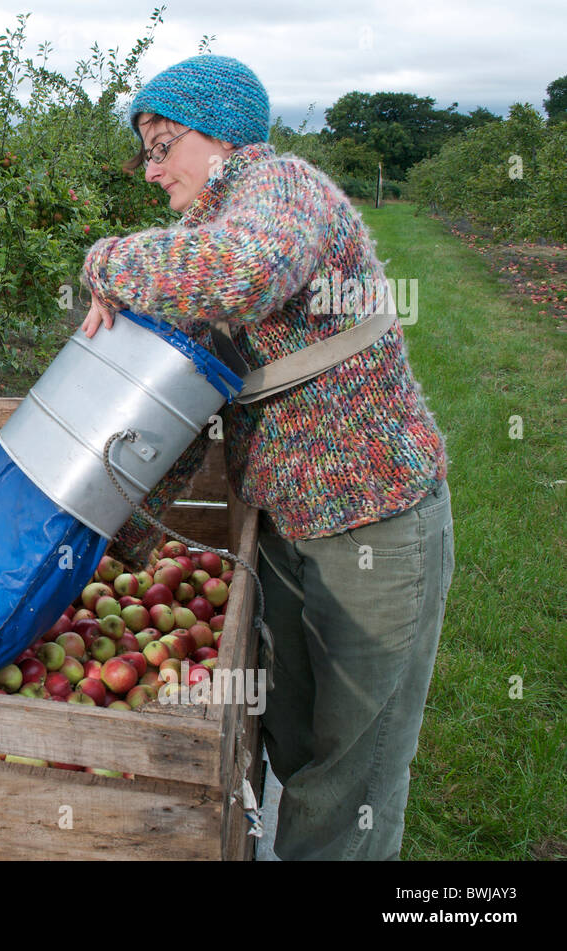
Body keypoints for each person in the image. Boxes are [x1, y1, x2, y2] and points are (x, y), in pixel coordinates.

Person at [79, 54, 454, 860]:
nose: (151, 171)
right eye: (144, 151)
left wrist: (107, 260)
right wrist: (116, 543)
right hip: (284, 527)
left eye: (162, 144)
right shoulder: (195, 243)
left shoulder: (281, 190)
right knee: (289, 735)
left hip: (378, 521)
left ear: (219, 136)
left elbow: (244, 274)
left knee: (352, 768)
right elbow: (180, 406)